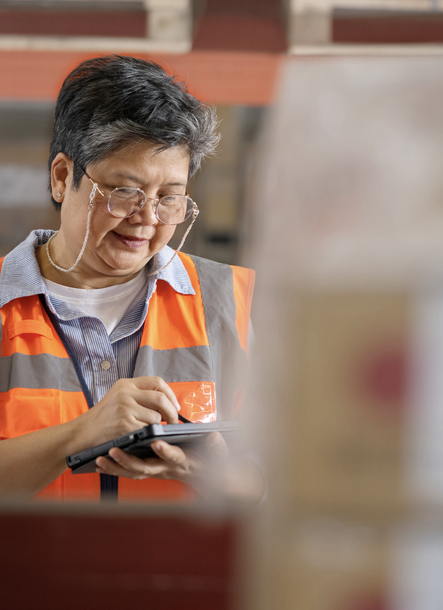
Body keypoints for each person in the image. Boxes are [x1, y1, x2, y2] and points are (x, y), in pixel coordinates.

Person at [0, 55, 261, 502]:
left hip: (173, 572)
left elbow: (277, 486)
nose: (147, 219)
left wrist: (208, 472)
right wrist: (81, 432)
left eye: (170, 198)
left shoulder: (227, 301)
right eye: (125, 192)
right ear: (63, 178)